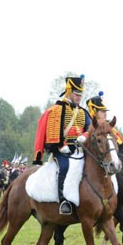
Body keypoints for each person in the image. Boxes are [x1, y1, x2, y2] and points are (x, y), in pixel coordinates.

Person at [33, 75, 91, 215]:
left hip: (80, 149)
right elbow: (54, 130)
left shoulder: (83, 112)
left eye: (80, 95)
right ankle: (63, 200)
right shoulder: (57, 109)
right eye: (77, 94)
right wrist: (61, 145)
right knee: (65, 167)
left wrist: (85, 136)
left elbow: (90, 127)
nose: (79, 97)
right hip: (61, 149)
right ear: (69, 92)